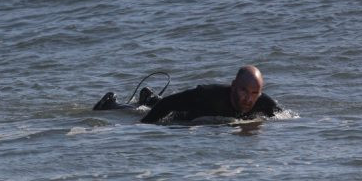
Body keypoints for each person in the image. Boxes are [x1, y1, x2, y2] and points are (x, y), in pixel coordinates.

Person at [93, 65, 282, 123]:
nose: (248, 98)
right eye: (243, 90)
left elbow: (287, 117)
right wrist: (143, 128)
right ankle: (110, 104)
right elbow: (168, 104)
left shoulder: (264, 103)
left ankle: (149, 98)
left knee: (155, 103)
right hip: (180, 113)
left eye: (254, 93)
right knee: (149, 111)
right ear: (233, 86)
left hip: (188, 109)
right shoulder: (209, 94)